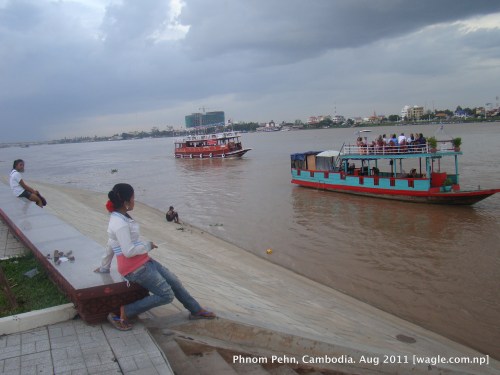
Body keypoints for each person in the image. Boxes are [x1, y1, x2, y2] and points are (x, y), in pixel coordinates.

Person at [100, 183, 215, 331]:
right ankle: (125, 311)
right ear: (125, 202)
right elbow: (128, 251)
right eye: (133, 198)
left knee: (174, 281)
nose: (135, 200)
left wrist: (104, 266)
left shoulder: (121, 216)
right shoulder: (119, 223)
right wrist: (147, 246)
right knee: (167, 295)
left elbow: (112, 242)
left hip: (144, 262)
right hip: (134, 268)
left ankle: (196, 310)